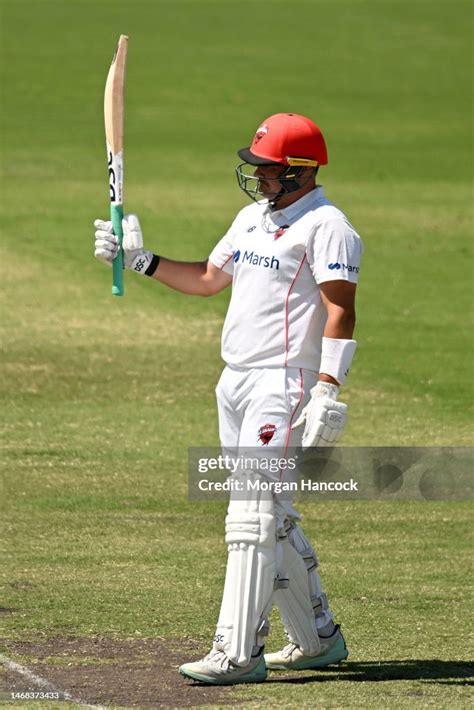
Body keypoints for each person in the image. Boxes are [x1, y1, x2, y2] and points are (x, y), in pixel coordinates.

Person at [94, 112, 363, 685]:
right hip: (235, 380)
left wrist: (327, 391)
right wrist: (140, 260)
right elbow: (209, 278)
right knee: (273, 516)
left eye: (268, 170)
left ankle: (237, 653)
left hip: (284, 382)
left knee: (251, 517)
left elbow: (341, 307)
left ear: (300, 170)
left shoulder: (328, 226)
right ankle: (317, 639)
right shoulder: (250, 219)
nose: (258, 178)